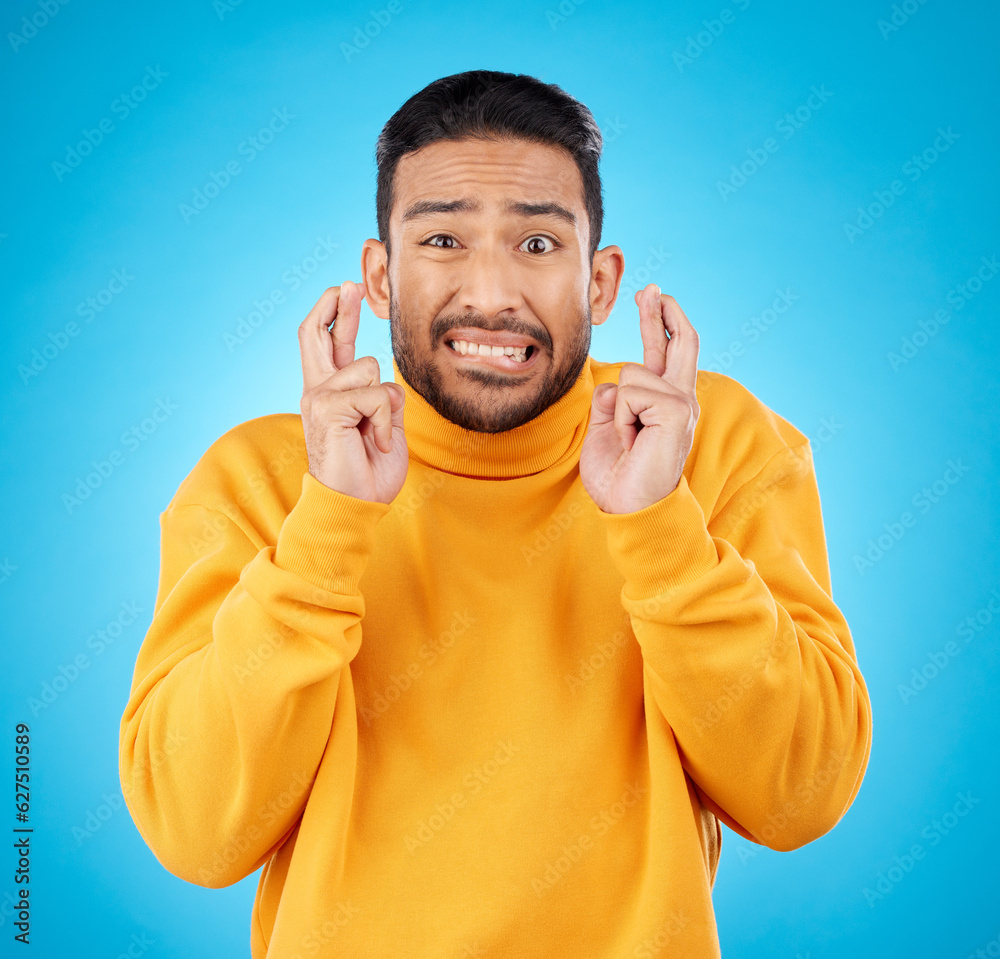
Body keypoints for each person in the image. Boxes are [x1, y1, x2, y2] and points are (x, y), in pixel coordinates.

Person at [118, 69, 872, 958]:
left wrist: (662, 531)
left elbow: (801, 792)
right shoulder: (265, 477)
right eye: (442, 238)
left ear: (599, 283)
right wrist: (327, 529)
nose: (492, 292)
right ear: (380, 275)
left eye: (538, 245)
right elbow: (196, 830)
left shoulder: (707, 444)